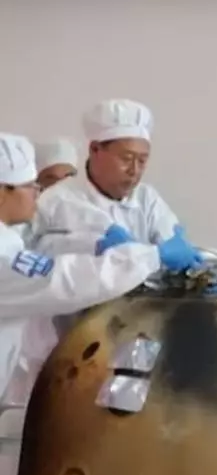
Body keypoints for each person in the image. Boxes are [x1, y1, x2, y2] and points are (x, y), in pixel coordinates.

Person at [0, 132, 203, 409]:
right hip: (69, 337)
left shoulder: (147, 198)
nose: (37, 191)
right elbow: (63, 279)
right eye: (29, 185)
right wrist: (151, 255)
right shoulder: (14, 247)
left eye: (142, 159)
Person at [31, 98, 179, 256]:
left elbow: (171, 243)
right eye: (126, 158)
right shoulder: (54, 202)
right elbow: (24, 260)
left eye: (142, 160)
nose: (134, 170)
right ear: (95, 150)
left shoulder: (147, 199)